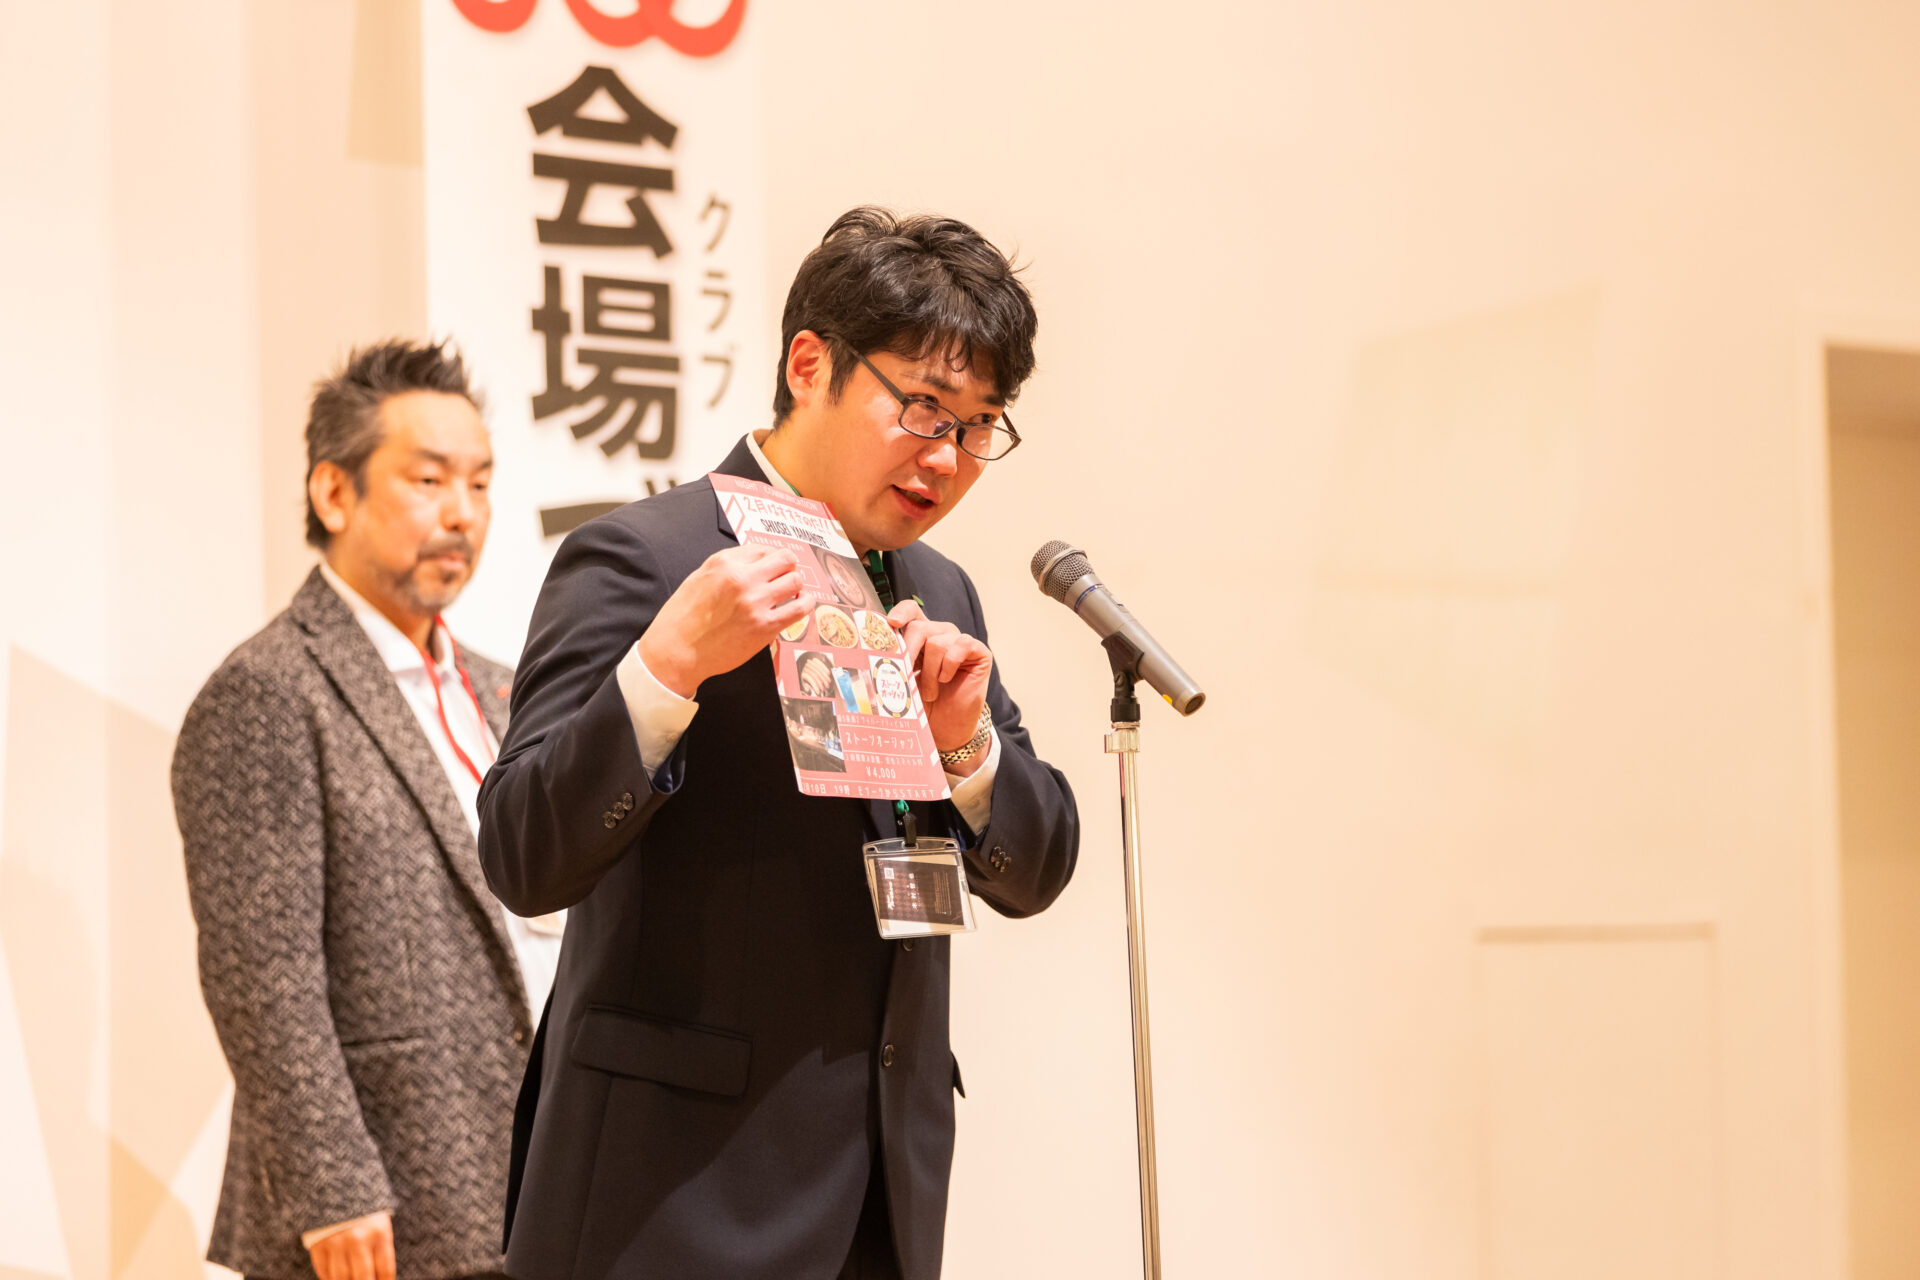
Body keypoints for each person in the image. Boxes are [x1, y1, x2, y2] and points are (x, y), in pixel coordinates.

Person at [479, 208, 1081, 1280]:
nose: (947, 457)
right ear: (810, 365)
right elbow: (524, 854)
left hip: (881, 1201)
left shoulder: (940, 590)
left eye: (980, 424)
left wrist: (966, 750)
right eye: (923, 408)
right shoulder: (645, 557)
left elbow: (1034, 870)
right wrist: (667, 667)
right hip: (671, 1203)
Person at [173, 340, 557, 1280]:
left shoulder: (504, 688)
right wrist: (332, 1185)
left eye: (479, 483)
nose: (462, 513)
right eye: (429, 480)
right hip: (381, 1206)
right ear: (334, 493)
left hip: (535, 1180)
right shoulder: (269, 691)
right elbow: (261, 976)